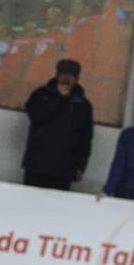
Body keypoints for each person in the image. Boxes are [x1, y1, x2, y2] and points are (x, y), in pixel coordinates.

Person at [21, 58, 93, 191]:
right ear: (57, 75)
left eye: (71, 75)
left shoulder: (83, 105)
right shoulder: (41, 95)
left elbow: (85, 139)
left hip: (64, 168)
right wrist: (60, 99)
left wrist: (81, 166)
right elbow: (37, 117)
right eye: (63, 74)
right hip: (37, 164)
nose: (66, 78)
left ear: (77, 79)